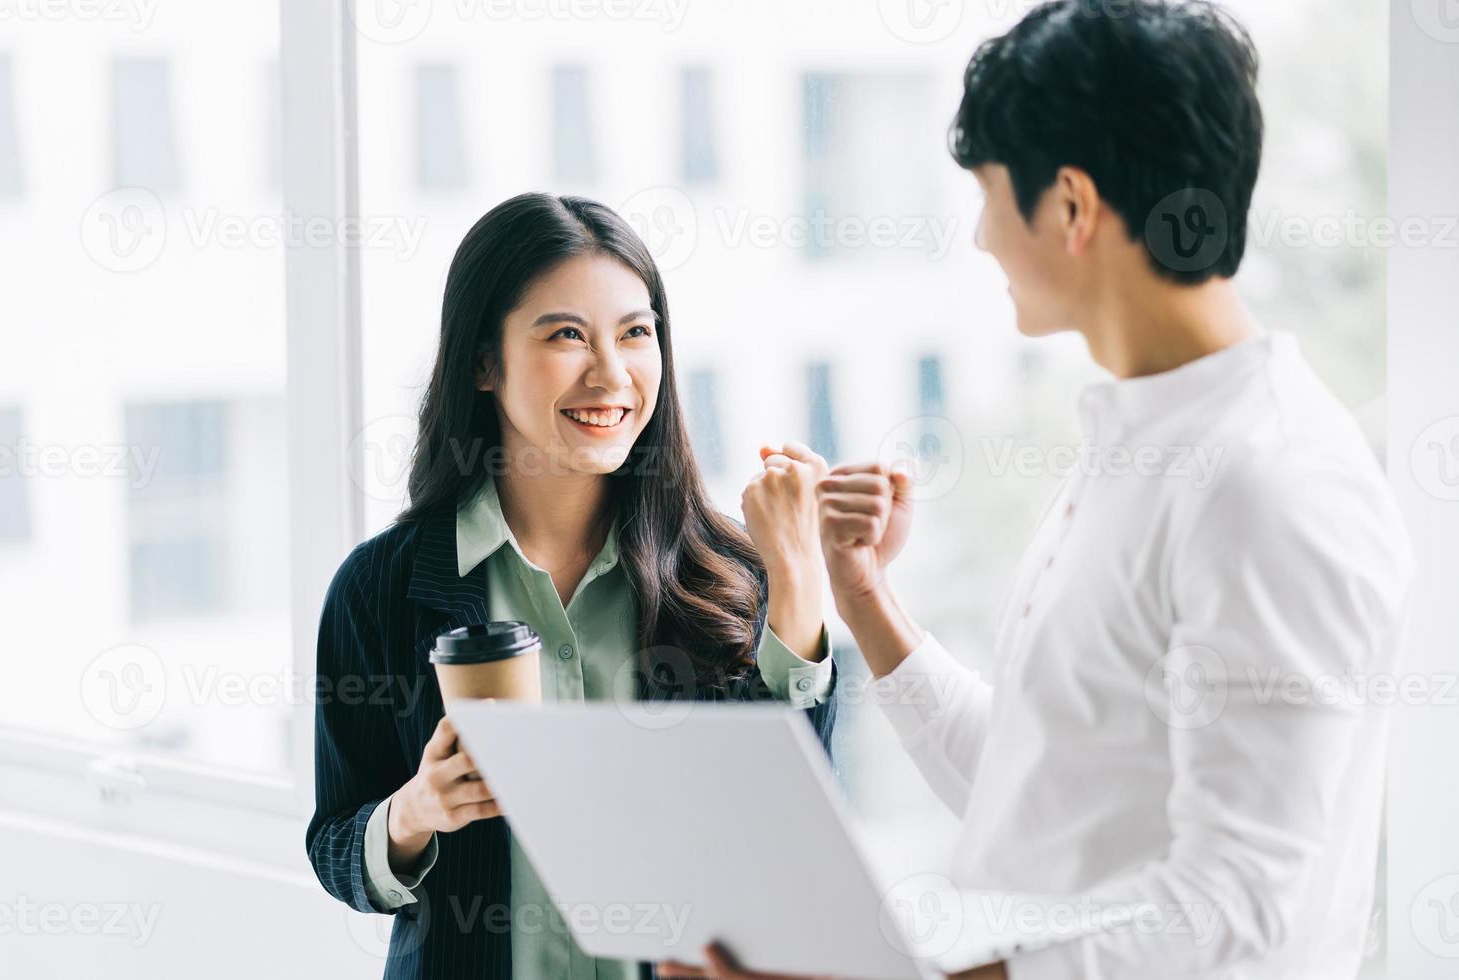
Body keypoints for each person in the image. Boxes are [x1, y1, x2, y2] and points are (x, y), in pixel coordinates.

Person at [663, 1, 1412, 978]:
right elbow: (1046, 789)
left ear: (1069, 207)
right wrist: (870, 604)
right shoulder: (1144, 445)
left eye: (988, 195)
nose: (979, 239)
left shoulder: (1267, 482)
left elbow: (1239, 908)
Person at [306, 192, 839, 979]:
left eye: (636, 333)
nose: (611, 374)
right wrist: (414, 812)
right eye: (566, 335)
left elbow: (787, 827)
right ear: (484, 362)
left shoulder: (730, 574)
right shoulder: (381, 588)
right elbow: (335, 848)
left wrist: (800, 579)